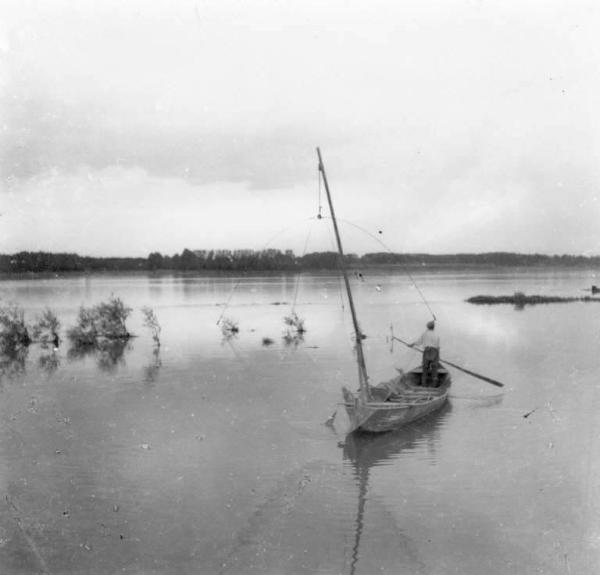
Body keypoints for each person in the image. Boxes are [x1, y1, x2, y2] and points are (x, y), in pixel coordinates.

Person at [409, 320, 440, 386]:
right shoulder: (436, 334)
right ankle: (434, 384)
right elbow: (437, 346)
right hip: (435, 351)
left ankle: (424, 384)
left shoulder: (424, 334)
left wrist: (412, 344)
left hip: (427, 351)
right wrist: (437, 356)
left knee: (425, 367)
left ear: (427, 327)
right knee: (434, 368)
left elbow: (418, 342)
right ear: (433, 327)